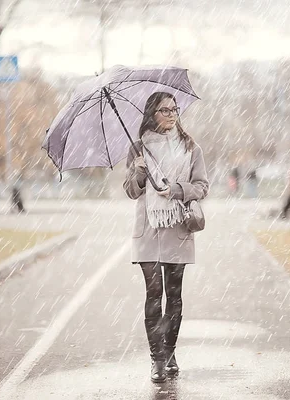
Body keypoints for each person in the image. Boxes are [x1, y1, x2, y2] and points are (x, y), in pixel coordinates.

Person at [123, 92, 209, 383]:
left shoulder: (190, 147)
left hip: (177, 226)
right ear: (152, 114)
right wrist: (137, 173)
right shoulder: (138, 148)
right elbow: (132, 191)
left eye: (174, 109)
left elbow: (202, 187)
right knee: (152, 293)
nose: (172, 114)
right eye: (165, 110)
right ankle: (156, 360)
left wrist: (176, 190)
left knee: (174, 295)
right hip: (147, 228)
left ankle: (170, 353)